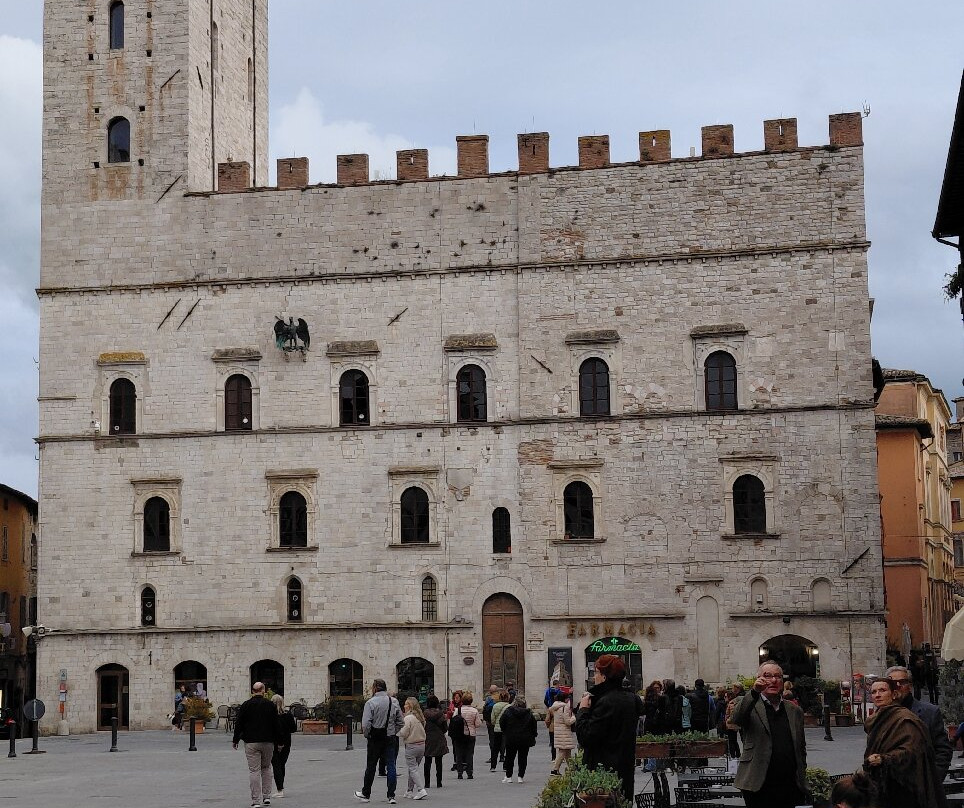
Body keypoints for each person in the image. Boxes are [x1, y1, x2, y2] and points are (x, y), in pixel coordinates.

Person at [729, 661, 807, 808]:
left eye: (777, 676)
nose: (772, 680)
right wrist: (754, 692)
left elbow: (801, 746)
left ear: (782, 682)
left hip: (789, 783)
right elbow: (736, 719)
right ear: (758, 679)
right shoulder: (750, 704)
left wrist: (802, 773)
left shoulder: (794, 710)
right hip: (758, 783)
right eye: (767, 676)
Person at [862, 677, 946, 808]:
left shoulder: (905, 719)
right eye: (873, 692)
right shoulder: (874, 719)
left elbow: (912, 751)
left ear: (894, 694)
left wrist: (885, 759)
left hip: (904, 787)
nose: (877, 695)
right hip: (880, 783)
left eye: (882, 690)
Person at [575, 654, 643, 803]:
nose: (594, 677)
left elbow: (586, 737)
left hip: (603, 769)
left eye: (596, 673)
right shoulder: (631, 699)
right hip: (624, 767)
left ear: (604, 677)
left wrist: (583, 710)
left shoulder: (606, 701)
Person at [886, 664, 953, 784]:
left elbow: (943, 749)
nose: (898, 686)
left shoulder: (930, 713)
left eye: (902, 682)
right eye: (893, 683)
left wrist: (933, 780)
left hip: (922, 784)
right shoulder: (882, 714)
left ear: (910, 686)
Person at [232, 682, 282, 808]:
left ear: (252, 691)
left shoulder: (246, 705)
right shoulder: (270, 705)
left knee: (254, 770)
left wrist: (236, 739)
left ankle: (255, 800)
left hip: (251, 742)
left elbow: (239, 723)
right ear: (263, 690)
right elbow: (276, 724)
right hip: (268, 741)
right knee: (266, 768)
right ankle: (266, 797)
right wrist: (279, 741)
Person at [354, 678, 404, 804]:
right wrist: (392, 730)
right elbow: (400, 722)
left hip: (375, 738)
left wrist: (367, 735)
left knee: (371, 765)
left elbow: (365, 724)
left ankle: (366, 793)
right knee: (391, 765)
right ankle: (391, 796)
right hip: (390, 737)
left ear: (375, 688)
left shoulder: (370, 703)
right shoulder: (394, 701)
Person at [499, 695, 538, 784]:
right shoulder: (528, 713)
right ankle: (520, 776)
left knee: (509, 757)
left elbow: (502, 722)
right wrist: (533, 735)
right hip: (525, 738)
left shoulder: (508, 711)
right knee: (523, 758)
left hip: (511, 738)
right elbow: (533, 726)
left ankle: (508, 776)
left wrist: (505, 732)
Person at [399, 697, 428, 800]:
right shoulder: (420, 717)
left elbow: (404, 732)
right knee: (413, 769)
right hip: (422, 745)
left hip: (411, 745)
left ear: (410, 706)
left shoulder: (408, 718)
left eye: (406, 704)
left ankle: (421, 789)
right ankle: (409, 790)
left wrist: (396, 731)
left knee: (413, 769)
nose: (404, 706)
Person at [450, 691, 483, 779]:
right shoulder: (474, 711)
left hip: (459, 734)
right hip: (471, 734)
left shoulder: (458, 710)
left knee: (459, 753)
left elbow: (454, 721)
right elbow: (478, 724)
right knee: (469, 753)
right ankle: (469, 772)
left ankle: (460, 772)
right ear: (471, 701)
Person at [270, 694, 297, 799]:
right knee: (281, 765)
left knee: (276, 765)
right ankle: (280, 787)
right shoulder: (288, 715)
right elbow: (293, 729)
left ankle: (280, 789)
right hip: (287, 742)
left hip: (274, 743)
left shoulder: (271, 716)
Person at [422, 695, 448, 789]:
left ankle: (427, 783)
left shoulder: (424, 714)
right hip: (438, 738)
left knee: (427, 761)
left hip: (428, 738)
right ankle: (439, 782)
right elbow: (445, 728)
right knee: (439, 761)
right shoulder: (441, 714)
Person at [548, 691, 576, 775]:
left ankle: (571, 768)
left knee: (567, 751)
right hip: (564, 732)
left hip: (558, 730)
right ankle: (555, 769)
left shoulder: (555, 707)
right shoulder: (565, 707)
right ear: (564, 699)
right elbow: (567, 722)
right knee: (563, 751)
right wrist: (574, 717)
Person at [489, 690, 509, 771]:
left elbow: (492, 720)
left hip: (497, 729)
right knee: (507, 747)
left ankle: (493, 766)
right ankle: (505, 766)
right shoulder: (509, 707)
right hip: (507, 730)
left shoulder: (495, 706)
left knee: (495, 748)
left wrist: (496, 724)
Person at [724, 682, 744, 758]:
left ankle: (734, 756)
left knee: (733, 740)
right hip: (741, 722)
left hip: (735, 721)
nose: (732, 690)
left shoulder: (735, 700)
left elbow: (730, 713)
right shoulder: (743, 697)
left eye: (733, 688)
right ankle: (738, 754)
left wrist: (728, 720)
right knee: (741, 739)